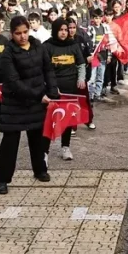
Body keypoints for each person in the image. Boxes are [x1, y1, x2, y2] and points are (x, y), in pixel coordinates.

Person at [0, 16, 59, 192]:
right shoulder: (7, 53)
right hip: (14, 104)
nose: (23, 36)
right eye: (18, 33)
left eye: (25, 32)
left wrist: (52, 91)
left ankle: (40, 170)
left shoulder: (38, 46)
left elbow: (48, 70)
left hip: (37, 103)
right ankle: (2, 179)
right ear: (12, 33)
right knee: (10, 143)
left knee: (38, 139)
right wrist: (39, 95)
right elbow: (14, 82)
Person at [45, 18, 87, 161]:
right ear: (55, 31)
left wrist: (81, 79)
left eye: (65, 30)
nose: (63, 33)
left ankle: (65, 147)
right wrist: (50, 86)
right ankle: (44, 151)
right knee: (49, 119)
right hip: (53, 89)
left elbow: (81, 64)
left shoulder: (73, 45)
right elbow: (44, 68)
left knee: (68, 118)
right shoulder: (47, 46)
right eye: (60, 30)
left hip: (70, 88)